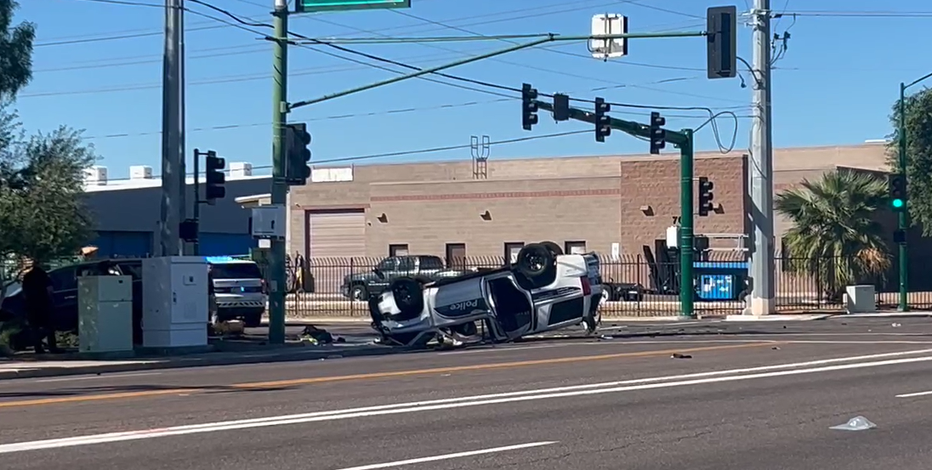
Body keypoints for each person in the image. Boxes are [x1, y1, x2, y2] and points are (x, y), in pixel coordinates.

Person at [21, 263, 61, 354]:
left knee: (35, 328)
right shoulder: (44, 276)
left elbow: (24, 292)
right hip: (44, 304)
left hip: (31, 305)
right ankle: (52, 347)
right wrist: (52, 300)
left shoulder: (27, 277)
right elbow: (50, 289)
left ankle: (38, 348)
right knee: (49, 327)